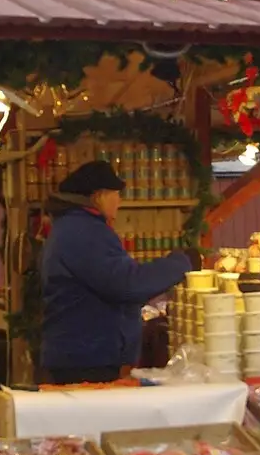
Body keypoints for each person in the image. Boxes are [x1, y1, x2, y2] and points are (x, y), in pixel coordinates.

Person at [39, 160, 190, 385]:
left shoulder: (72, 228)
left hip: (81, 355)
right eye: (116, 194)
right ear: (99, 196)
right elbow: (127, 283)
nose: (119, 201)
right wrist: (182, 262)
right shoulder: (84, 232)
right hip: (87, 360)